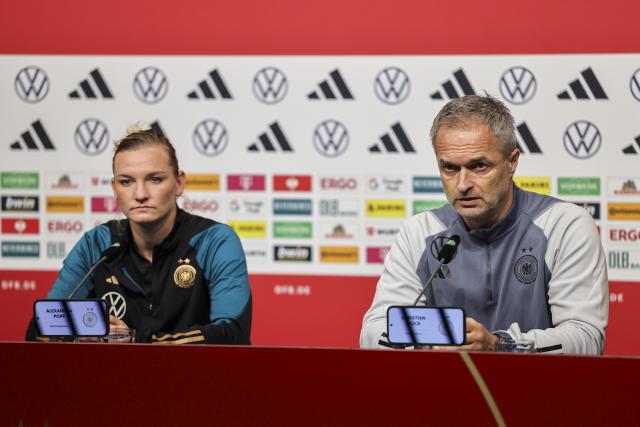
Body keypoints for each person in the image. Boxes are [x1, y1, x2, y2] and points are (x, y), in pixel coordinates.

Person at [360, 95, 608, 354]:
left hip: (534, 390)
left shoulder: (564, 224)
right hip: (444, 388)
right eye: (450, 168)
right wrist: (437, 339)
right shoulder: (420, 231)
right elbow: (374, 332)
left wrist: (500, 345)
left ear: (512, 162)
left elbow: (585, 339)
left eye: (479, 166)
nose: (463, 184)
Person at [27, 126, 252, 344]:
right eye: (127, 181)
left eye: (155, 179)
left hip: (197, 380)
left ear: (179, 183)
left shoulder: (214, 241)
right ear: (115, 189)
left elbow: (232, 334)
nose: (140, 194)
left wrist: (134, 340)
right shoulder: (96, 244)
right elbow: (39, 329)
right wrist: (88, 330)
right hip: (114, 381)